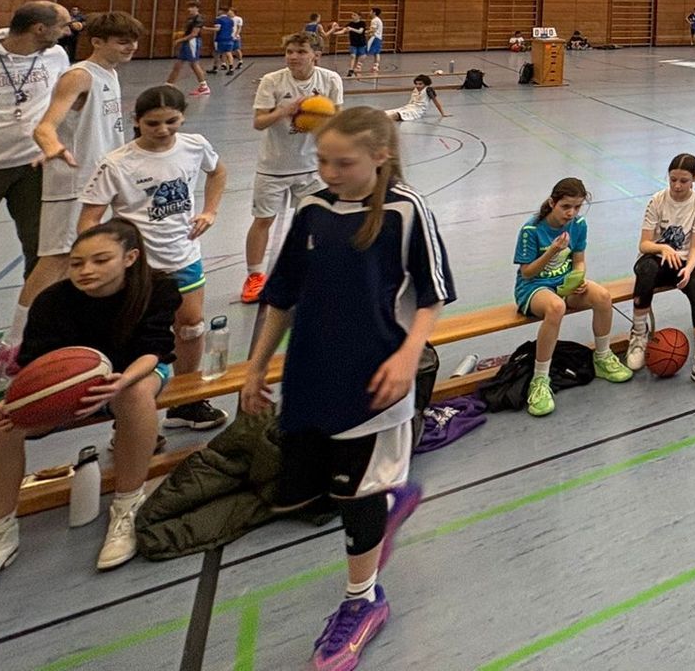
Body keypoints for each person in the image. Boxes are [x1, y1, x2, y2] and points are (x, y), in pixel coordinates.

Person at [240, 107, 453, 670]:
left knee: (356, 499)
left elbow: (433, 295)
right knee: (318, 493)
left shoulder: (406, 211)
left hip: (378, 383)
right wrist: (256, 366)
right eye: (322, 161)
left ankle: (363, 601)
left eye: (343, 163)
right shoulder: (312, 209)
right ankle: (391, 497)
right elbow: (282, 294)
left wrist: (408, 356)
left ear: (380, 156)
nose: (329, 172)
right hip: (311, 376)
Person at [0, 221, 179, 597]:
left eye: (100, 260)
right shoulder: (52, 301)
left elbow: (154, 349)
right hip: (71, 387)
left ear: (130, 258)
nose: (86, 270)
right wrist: (13, 403)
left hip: (135, 371)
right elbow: (33, 366)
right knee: (2, 427)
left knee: (134, 396)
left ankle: (128, 506)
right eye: (77, 263)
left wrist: (121, 381)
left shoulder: (158, 288)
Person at [77, 84, 228, 432]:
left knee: (191, 327)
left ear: (183, 117)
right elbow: (89, 218)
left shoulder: (195, 146)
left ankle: (186, 403)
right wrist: (103, 260)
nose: (163, 130)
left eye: (171, 122)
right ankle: (128, 416)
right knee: (135, 336)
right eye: (153, 123)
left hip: (182, 255)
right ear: (136, 121)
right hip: (139, 267)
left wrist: (210, 211)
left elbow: (218, 171)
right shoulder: (116, 164)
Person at [24, 11, 141, 319]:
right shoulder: (79, 76)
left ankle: (59, 326)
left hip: (99, 181)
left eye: (133, 41)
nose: (131, 47)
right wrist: (52, 146)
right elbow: (44, 126)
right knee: (57, 259)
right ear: (97, 42)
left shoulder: (110, 73)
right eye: (122, 41)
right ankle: (15, 339)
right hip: (74, 180)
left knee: (84, 258)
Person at [0, 1, 74, 342]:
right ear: (39, 29)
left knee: (44, 248)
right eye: (63, 25)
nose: (69, 30)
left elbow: (62, 101)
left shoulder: (56, 56)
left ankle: (38, 326)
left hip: (33, 165)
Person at [513, 178, 634, 415]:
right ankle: (540, 379)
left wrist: (578, 278)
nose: (571, 213)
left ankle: (602, 357)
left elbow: (578, 261)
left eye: (577, 207)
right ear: (552, 203)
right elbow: (527, 272)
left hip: (564, 284)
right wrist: (552, 251)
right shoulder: (531, 230)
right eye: (566, 206)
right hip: (533, 287)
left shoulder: (578, 225)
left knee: (602, 296)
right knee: (556, 307)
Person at [243, 33, 346, 304]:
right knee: (263, 220)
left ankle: (314, 270)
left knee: (316, 220)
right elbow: (259, 123)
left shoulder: (330, 80)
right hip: (274, 165)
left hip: (312, 166)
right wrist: (285, 111)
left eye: (301, 51)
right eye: (289, 51)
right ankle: (254, 276)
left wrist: (319, 119)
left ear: (316, 55)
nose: (293, 57)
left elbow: (338, 119)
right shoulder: (272, 81)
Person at [627, 153, 695, 388]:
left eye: (684, 181)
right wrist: (662, 248)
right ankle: (639, 335)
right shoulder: (657, 201)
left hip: (682, 262)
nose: (677, 186)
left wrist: (689, 269)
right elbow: (644, 244)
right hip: (655, 258)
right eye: (673, 180)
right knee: (646, 272)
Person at [165, 2, 209, 95]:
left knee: (194, 64)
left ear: (197, 8)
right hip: (187, 42)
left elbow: (194, 34)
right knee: (178, 64)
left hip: (192, 42)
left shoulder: (198, 19)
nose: (189, 9)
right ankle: (169, 84)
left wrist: (179, 40)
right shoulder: (190, 18)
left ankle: (204, 86)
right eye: (189, 7)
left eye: (192, 7)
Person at [213, 6, 237, 76]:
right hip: (229, 38)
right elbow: (232, 29)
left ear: (221, 11)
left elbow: (217, 29)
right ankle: (231, 68)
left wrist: (206, 28)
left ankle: (215, 68)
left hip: (220, 39)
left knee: (217, 53)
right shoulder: (231, 20)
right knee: (229, 53)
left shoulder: (218, 19)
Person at [365, 8, 385, 77]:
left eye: (371, 11)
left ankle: (358, 65)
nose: (369, 12)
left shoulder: (374, 20)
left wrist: (365, 32)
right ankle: (376, 66)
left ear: (374, 12)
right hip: (379, 38)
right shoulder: (378, 20)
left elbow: (373, 30)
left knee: (365, 51)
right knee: (377, 53)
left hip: (374, 37)